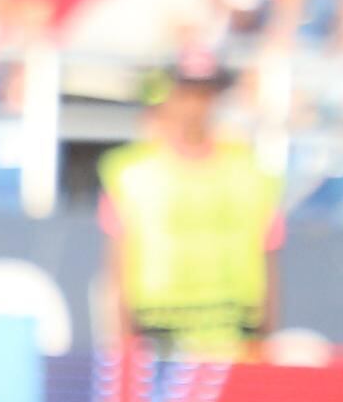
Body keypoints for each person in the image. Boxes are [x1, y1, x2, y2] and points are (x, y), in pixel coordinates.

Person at [96, 52, 275, 360]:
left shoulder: (250, 172)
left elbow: (268, 264)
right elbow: (116, 273)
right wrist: (125, 348)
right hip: (159, 338)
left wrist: (264, 343)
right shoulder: (130, 172)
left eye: (205, 94)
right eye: (187, 94)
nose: (196, 105)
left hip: (235, 335)